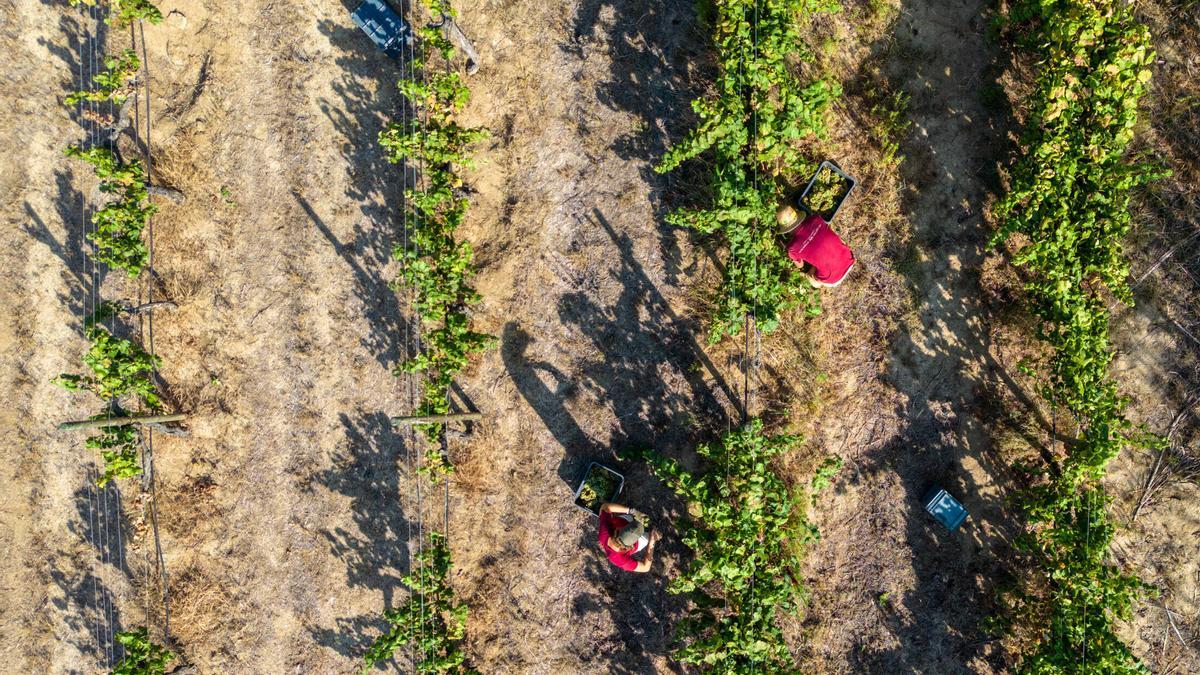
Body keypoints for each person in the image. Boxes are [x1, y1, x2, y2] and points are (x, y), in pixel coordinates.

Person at [777, 205, 855, 287]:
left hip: (833, 279)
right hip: (848, 257)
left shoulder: (792, 249)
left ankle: (819, 283)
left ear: (784, 229)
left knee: (813, 281)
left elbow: (800, 265)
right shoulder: (815, 219)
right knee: (829, 243)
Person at [597, 502, 659, 573]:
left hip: (623, 521)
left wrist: (632, 511)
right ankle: (653, 535)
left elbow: (605, 506)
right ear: (630, 546)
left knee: (629, 517)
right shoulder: (620, 560)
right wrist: (651, 543)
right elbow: (645, 568)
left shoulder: (604, 532)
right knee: (649, 538)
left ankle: (632, 518)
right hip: (625, 524)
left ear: (619, 529)